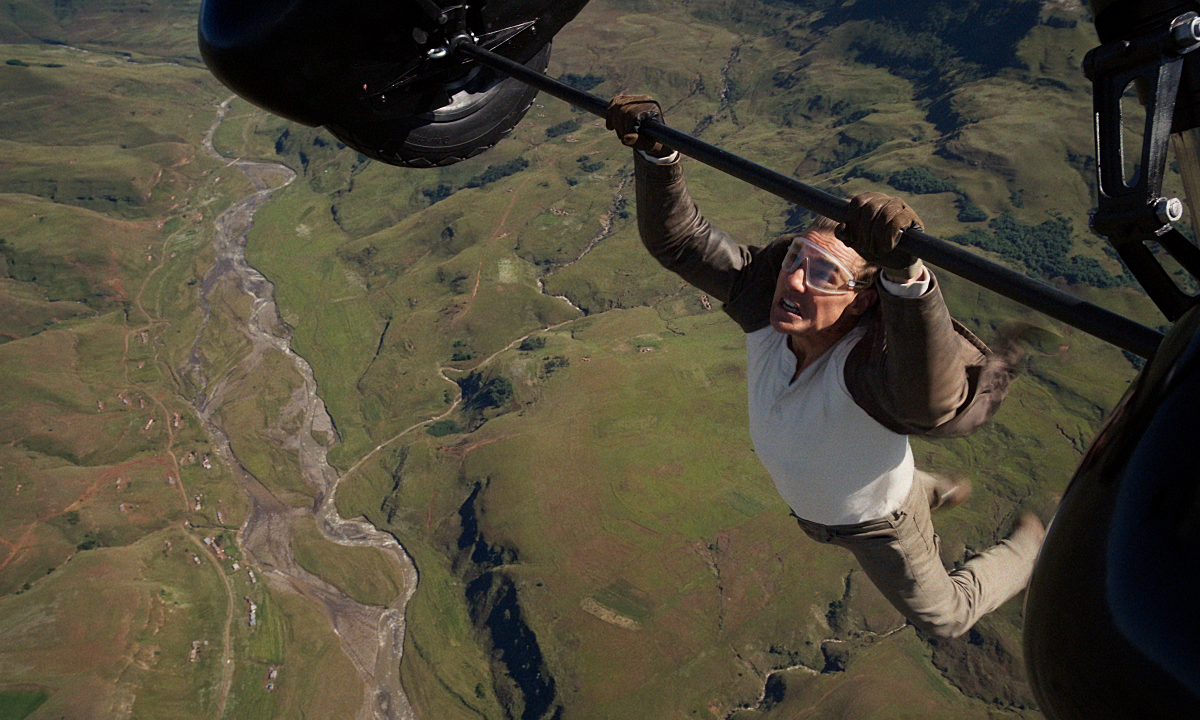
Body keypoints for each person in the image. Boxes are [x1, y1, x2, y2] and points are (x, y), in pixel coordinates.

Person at [606, 94, 1046, 639]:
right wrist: (656, 154)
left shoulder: (866, 371)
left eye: (823, 275)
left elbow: (930, 399)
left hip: (878, 525)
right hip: (828, 505)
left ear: (861, 302)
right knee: (897, 482)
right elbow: (680, 242)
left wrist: (905, 278)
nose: (793, 280)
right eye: (796, 258)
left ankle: (1030, 548)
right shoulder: (767, 313)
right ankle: (935, 489)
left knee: (947, 617)